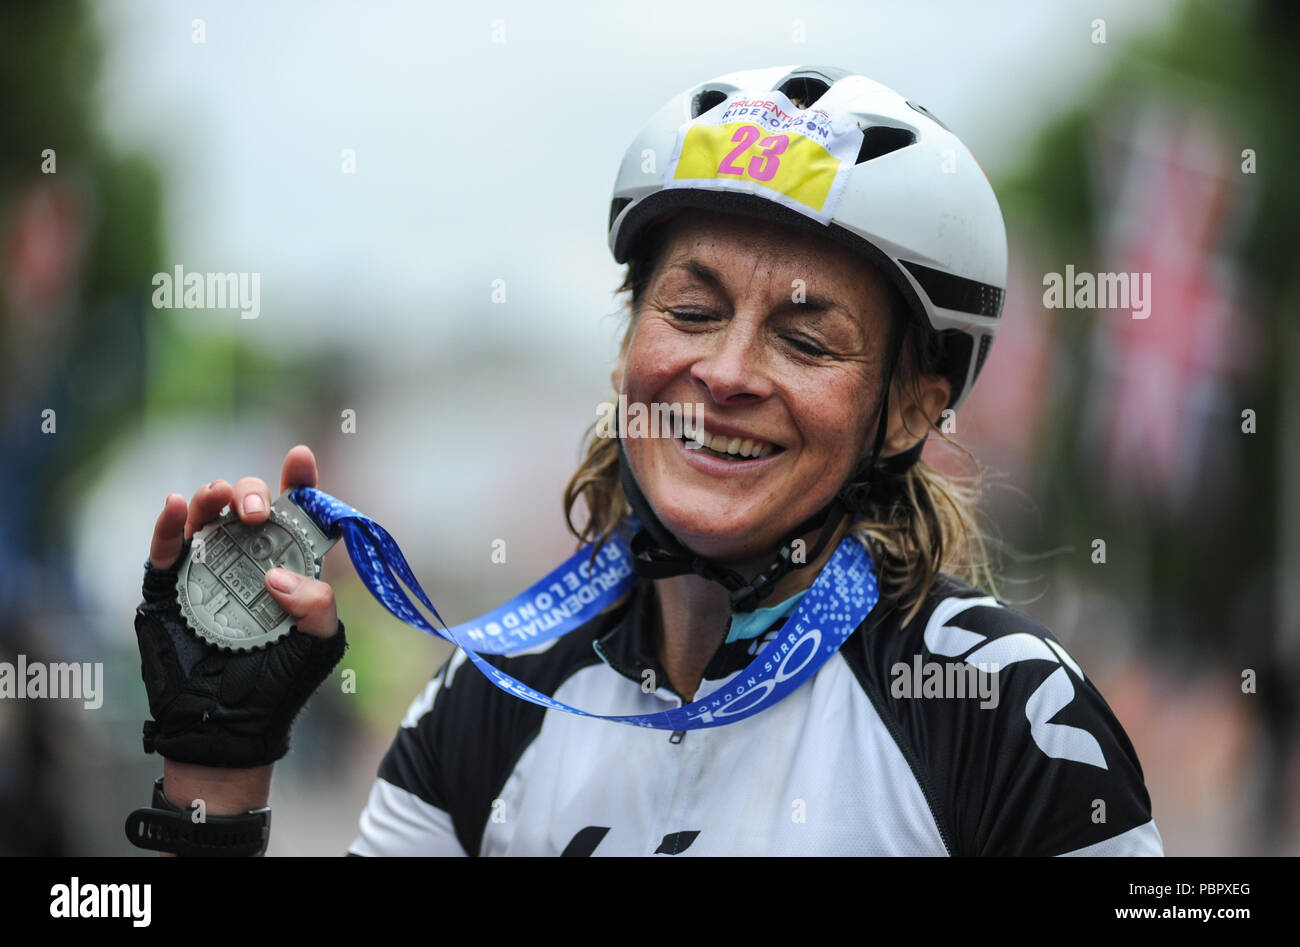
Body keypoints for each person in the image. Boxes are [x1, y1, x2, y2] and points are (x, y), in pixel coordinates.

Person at [129, 65, 1163, 856]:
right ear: (629, 348)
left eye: (805, 340)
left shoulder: (1007, 710)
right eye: (691, 311)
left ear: (906, 408)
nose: (724, 372)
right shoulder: (491, 700)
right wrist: (214, 778)